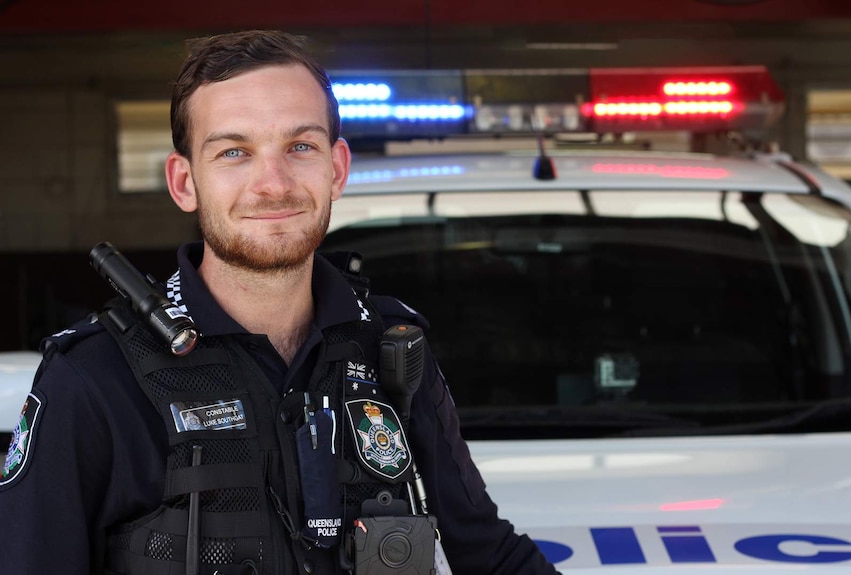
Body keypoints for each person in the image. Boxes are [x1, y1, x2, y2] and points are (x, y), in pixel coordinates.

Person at [0, 30, 561, 575]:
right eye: (234, 152)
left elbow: (487, 556)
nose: (273, 183)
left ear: (336, 168)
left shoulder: (391, 348)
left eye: (300, 146)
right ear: (184, 182)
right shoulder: (94, 380)